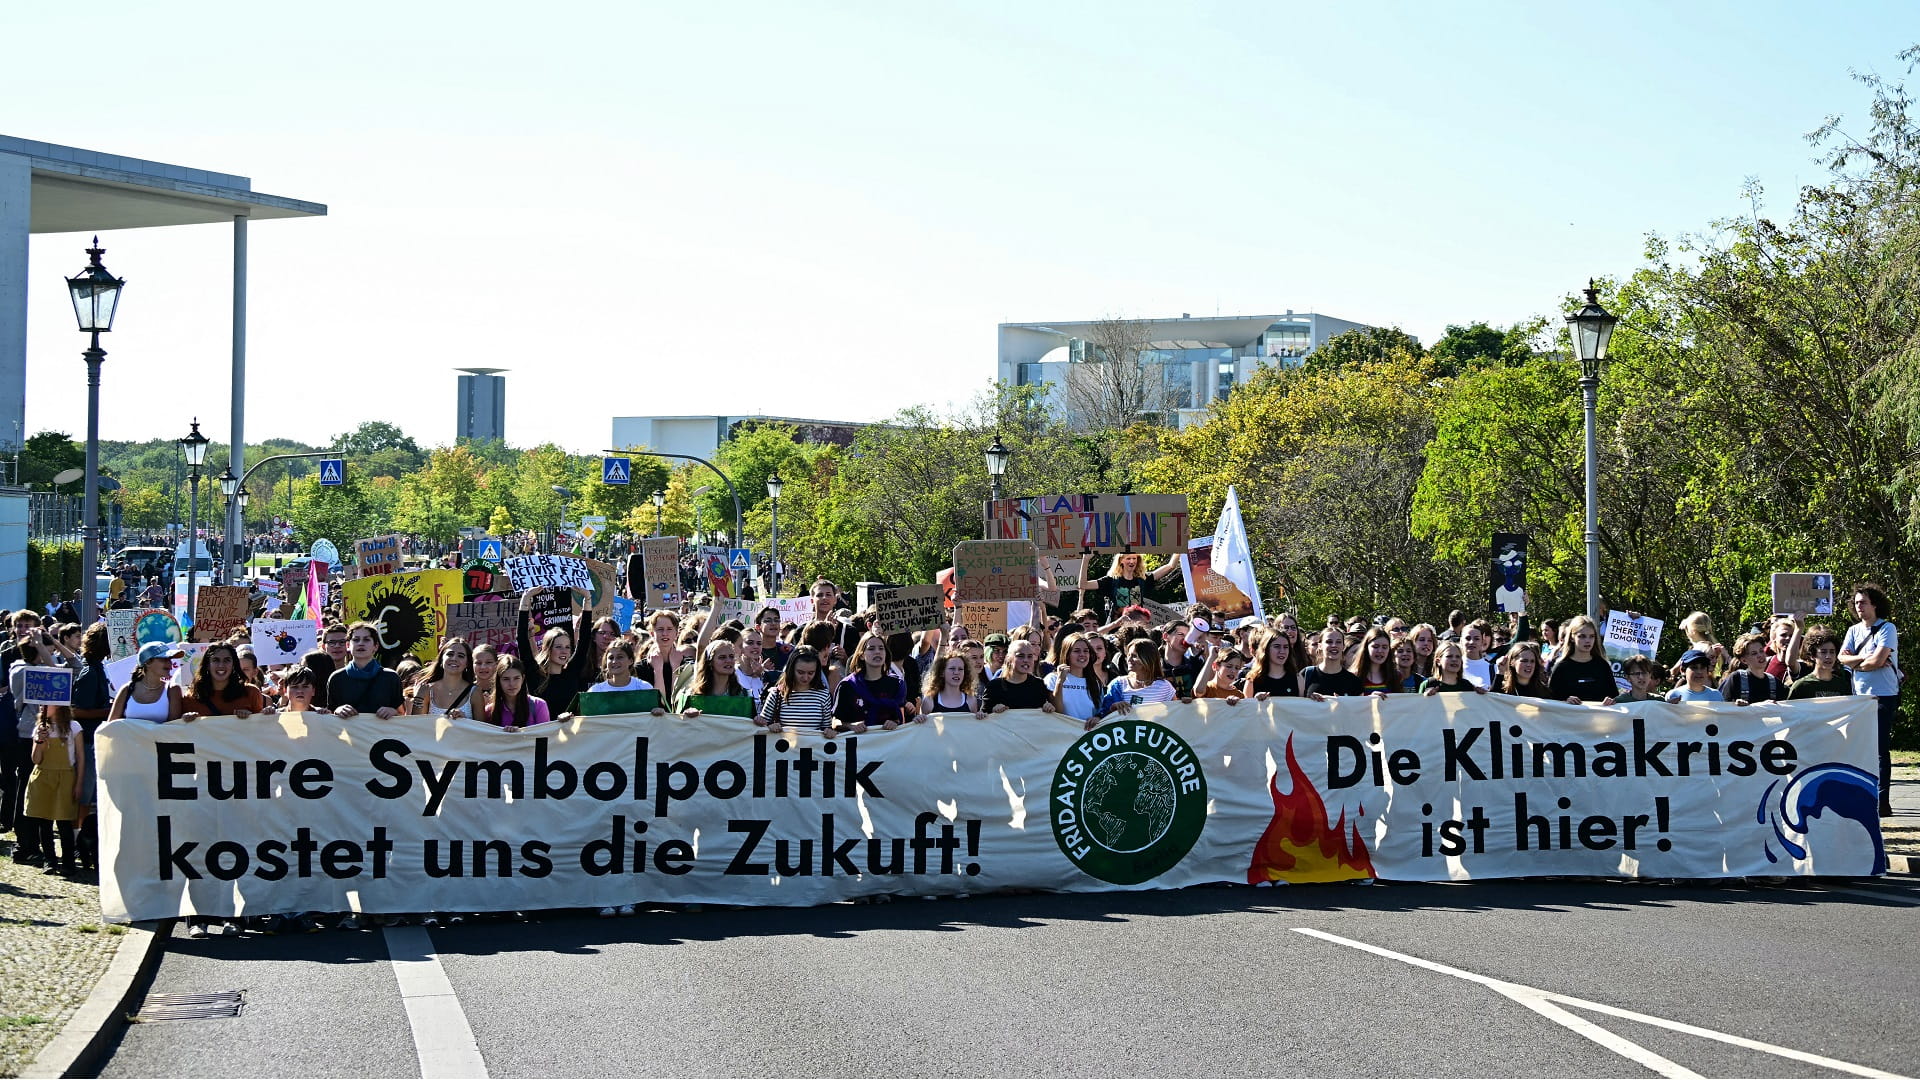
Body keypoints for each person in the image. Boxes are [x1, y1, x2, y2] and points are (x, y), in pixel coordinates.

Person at [1838, 583, 1899, 817]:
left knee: (1880, 748)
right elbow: (1843, 658)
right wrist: (1865, 659)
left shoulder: (1887, 628)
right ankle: (1862, 794)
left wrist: (1858, 663)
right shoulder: (1853, 631)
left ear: (1874, 604)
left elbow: (1879, 660)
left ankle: (1883, 800)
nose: (1859, 607)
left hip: (1883, 693)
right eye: (1856, 603)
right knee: (1860, 747)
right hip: (1859, 695)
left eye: (1863, 602)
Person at [23, 705, 81, 878]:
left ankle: (69, 862)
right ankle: (50, 860)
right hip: (43, 777)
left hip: (65, 777)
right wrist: (39, 741)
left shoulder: (74, 727)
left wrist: (79, 783)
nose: (43, 705)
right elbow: (36, 759)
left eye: (48, 702)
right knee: (44, 821)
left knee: (64, 822)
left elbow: (81, 758)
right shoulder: (40, 728)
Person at [516, 587, 592, 718]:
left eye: (568, 647)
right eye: (558, 647)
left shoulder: (572, 671)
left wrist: (588, 599)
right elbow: (522, 641)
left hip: (570, 736)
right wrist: (526, 599)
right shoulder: (535, 674)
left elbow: (584, 640)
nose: (564, 651)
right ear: (547, 649)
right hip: (541, 735)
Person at [835, 633, 914, 732]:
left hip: (887, 743)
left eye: (881, 648)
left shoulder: (897, 684)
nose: (877, 652)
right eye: (871, 648)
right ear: (862, 655)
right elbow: (835, 721)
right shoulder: (847, 685)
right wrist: (851, 726)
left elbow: (900, 720)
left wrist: (895, 723)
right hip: (859, 744)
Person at [327, 622, 403, 720]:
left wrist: (393, 711)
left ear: (376, 646)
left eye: (366, 639)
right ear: (348, 646)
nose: (360, 643)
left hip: (383, 734)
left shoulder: (391, 677)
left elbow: (402, 713)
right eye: (356, 640)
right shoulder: (336, 678)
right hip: (350, 734)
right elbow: (329, 715)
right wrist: (337, 710)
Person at [760, 645, 836, 734]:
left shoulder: (824, 695)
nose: (805, 677)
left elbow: (826, 727)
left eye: (811, 673)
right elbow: (762, 725)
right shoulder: (776, 693)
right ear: (791, 670)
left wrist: (829, 731)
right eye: (800, 672)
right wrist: (769, 727)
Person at [183, 643, 269, 719]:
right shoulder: (191, 696)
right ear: (207, 665)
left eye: (227, 660)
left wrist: (251, 717)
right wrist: (186, 720)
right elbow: (181, 733)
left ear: (233, 665)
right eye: (215, 660)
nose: (221, 665)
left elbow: (260, 728)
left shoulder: (251, 692)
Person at [1547, 615, 1617, 704]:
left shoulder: (1602, 665)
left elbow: (1614, 696)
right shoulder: (1561, 667)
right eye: (1582, 636)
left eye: (1591, 636)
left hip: (1598, 717)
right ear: (1572, 637)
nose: (1588, 641)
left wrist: (1610, 701)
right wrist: (1565, 701)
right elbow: (1550, 701)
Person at [110, 643, 186, 723]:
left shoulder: (173, 690)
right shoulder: (126, 689)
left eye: (170, 659)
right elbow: (111, 726)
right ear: (148, 662)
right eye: (164, 659)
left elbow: (174, 727)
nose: (170, 664)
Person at [677, 638, 753, 717]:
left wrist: (758, 721)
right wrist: (686, 714)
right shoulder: (692, 696)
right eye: (722, 657)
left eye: (731, 656)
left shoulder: (744, 695)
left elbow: (750, 725)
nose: (728, 660)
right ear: (710, 662)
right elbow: (677, 723)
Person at [1103, 639, 1179, 715]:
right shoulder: (1118, 684)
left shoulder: (1164, 686)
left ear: (1148, 659)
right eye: (1128, 655)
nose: (1129, 659)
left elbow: (1176, 713)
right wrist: (1113, 707)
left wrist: (1186, 703)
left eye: (1134, 656)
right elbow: (1103, 714)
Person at [1045, 633, 1105, 728]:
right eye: (1077, 651)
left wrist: (1098, 718)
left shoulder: (1095, 683)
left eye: (1086, 651)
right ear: (1067, 654)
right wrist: (1060, 682)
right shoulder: (1052, 679)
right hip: (1062, 736)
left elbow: (1100, 712)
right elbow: (1057, 712)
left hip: (1086, 737)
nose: (1082, 655)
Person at [407, 638, 476, 718]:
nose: (454, 659)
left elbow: (483, 729)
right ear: (441, 658)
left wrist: (464, 720)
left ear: (467, 663)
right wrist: (418, 698)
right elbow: (417, 725)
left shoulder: (474, 692)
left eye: (460, 656)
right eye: (450, 654)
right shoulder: (427, 689)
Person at [981, 640, 1054, 714]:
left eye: (1030, 656)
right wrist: (993, 710)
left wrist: (1048, 707)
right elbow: (983, 718)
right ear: (1009, 658)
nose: (1026, 660)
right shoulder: (994, 687)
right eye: (1020, 656)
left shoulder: (1039, 685)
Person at [1095, 553, 1174, 619]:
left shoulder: (1143, 579)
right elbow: (1083, 585)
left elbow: (1170, 566)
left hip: (1137, 625)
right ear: (1121, 560)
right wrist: (1086, 558)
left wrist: (1180, 549)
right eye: (1128, 558)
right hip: (1116, 627)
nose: (1132, 561)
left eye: (1134, 558)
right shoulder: (1111, 580)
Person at [486, 655, 551, 730]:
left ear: (522, 679)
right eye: (506, 679)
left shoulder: (539, 705)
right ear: (499, 681)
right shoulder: (489, 711)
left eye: (516, 678)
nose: (512, 684)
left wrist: (520, 734)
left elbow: (544, 737)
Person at [1718, 631, 1785, 704]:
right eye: (1754, 653)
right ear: (1744, 660)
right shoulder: (1736, 679)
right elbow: (1722, 706)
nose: (1760, 655)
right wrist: (1735, 705)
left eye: (1761, 651)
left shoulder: (1775, 682)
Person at [1299, 626, 1364, 699]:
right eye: (1329, 642)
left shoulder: (1354, 682)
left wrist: (1343, 704)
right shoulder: (1306, 674)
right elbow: (1295, 705)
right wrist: (1309, 699)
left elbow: (1359, 708)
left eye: (1338, 642)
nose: (1334, 645)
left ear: (1343, 646)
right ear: (1320, 646)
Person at [1786, 627, 1851, 699]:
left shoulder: (1843, 686)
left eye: (1832, 652)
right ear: (1812, 655)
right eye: (1823, 652)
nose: (1828, 656)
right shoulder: (1801, 687)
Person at [1243, 628, 1300, 699]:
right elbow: (1246, 707)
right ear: (1266, 649)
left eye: (1285, 647)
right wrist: (1256, 701)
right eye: (1277, 646)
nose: (1282, 651)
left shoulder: (1298, 679)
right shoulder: (1252, 679)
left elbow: (1304, 707)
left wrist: (1313, 698)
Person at [921, 651, 981, 718]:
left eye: (960, 669)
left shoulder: (971, 701)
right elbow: (924, 726)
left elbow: (974, 726)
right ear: (942, 673)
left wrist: (981, 717)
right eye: (952, 668)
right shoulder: (929, 701)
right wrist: (919, 719)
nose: (956, 672)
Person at [1347, 627, 1399, 696]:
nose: (1380, 651)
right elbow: (1350, 704)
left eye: (1384, 647)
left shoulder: (1396, 676)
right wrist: (1370, 699)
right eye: (1376, 646)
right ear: (1366, 648)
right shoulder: (1353, 676)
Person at [1420, 641, 1487, 696]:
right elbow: (1417, 709)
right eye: (1449, 656)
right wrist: (1426, 697)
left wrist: (1482, 694)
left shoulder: (1466, 686)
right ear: (1438, 661)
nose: (1454, 659)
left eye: (1458, 657)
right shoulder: (1428, 684)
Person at [470, 643, 501, 719]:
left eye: (488, 662)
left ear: (496, 664)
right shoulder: (465, 690)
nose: (483, 667)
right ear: (472, 665)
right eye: (478, 663)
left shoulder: (504, 689)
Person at [1460, 620, 1493, 689]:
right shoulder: (1453, 666)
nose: (1472, 642)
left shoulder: (1493, 669)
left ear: (1482, 641)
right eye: (1467, 638)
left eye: (1476, 639)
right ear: (1461, 641)